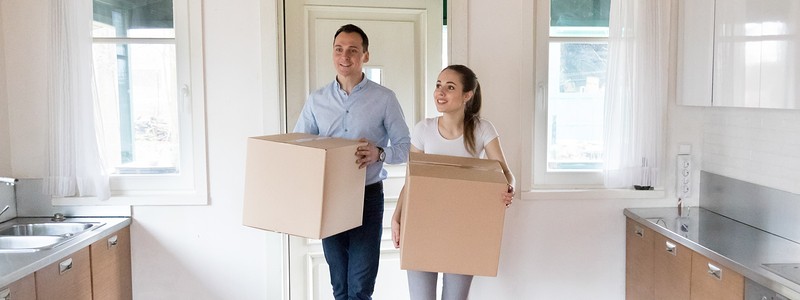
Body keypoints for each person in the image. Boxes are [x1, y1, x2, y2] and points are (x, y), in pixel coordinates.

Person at [294, 24, 411, 300]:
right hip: (329, 197)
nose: (344, 56)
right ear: (332, 54)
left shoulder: (384, 99)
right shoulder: (316, 100)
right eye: (339, 49)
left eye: (352, 51)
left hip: (367, 198)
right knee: (340, 286)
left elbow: (406, 148)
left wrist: (379, 153)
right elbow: (300, 148)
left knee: (360, 287)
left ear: (365, 56)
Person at [390, 64, 515, 300]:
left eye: (449, 87)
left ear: (467, 95)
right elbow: (411, 180)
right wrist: (397, 216)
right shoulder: (423, 129)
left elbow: (505, 172)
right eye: (438, 86)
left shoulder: (482, 129)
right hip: (422, 224)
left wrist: (510, 188)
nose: (440, 92)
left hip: (464, 228)